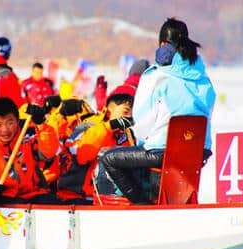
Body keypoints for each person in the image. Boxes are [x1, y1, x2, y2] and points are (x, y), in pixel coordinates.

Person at [101, 18, 216, 204]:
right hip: (198, 152)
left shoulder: (156, 77)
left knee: (109, 158)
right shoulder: (204, 78)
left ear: (162, 44)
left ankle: (143, 205)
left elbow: (142, 128)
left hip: (163, 153)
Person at [0, 97, 64, 206]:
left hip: (34, 194)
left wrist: (42, 125)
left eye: (10, 123)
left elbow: (50, 153)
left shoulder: (28, 131)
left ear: (17, 120)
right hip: (4, 199)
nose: (5, 130)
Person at [58, 85, 136, 201]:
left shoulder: (127, 135)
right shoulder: (88, 125)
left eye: (131, 113)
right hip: (80, 196)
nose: (129, 117)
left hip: (110, 197)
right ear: (110, 111)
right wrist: (109, 127)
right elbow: (81, 155)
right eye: (125, 111)